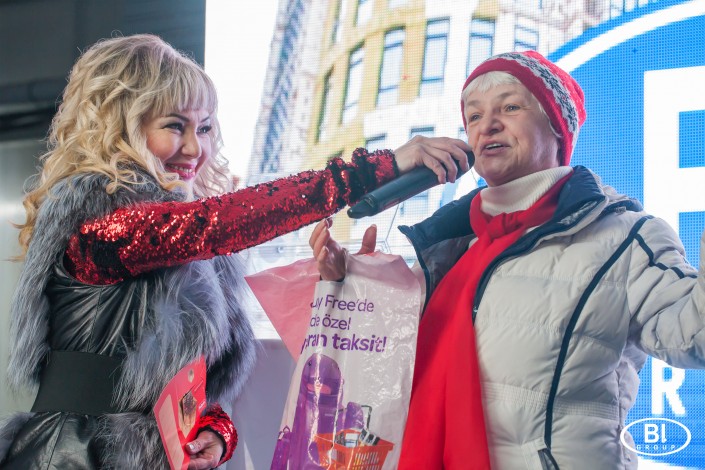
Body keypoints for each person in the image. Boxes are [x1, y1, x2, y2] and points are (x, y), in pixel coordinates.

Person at [0, 34, 460, 470]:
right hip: (73, 455)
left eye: (204, 128)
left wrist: (215, 432)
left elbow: (195, 392)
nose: (195, 148)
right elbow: (216, 223)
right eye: (174, 126)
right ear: (121, 127)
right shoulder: (100, 226)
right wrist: (376, 169)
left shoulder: (198, 256)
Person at [309, 50, 705, 469]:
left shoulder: (624, 235)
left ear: (557, 127)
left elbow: (693, 338)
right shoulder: (443, 247)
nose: (488, 125)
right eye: (474, 116)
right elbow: (381, 378)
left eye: (510, 107)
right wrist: (347, 288)